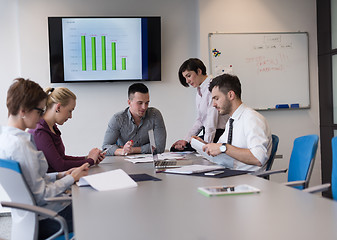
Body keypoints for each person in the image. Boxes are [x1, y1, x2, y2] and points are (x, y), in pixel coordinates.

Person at [0, 78, 89, 239]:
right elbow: (43, 194)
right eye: (39, 111)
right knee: (97, 210)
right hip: (48, 218)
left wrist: (60, 175)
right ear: (23, 110)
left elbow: (29, 181)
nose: (41, 116)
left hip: (31, 218)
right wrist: (71, 178)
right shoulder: (22, 146)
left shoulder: (5, 140)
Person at [201, 73, 272, 171]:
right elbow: (220, 147)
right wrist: (205, 146)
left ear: (230, 95)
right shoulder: (232, 120)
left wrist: (224, 148)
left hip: (248, 180)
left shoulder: (252, 118)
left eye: (216, 98)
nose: (213, 104)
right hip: (231, 175)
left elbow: (258, 158)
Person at [29, 87, 105, 172]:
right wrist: (90, 161)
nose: (70, 116)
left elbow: (61, 158)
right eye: (70, 111)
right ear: (58, 107)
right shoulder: (40, 132)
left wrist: (87, 157)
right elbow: (60, 166)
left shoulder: (52, 127)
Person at [171, 58, 228, 151]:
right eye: (185, 78)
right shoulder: (199, 91)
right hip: (209, 133)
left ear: (199, 71)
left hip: (218, 134)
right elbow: (200, 121)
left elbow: (211, 123)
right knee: (176, 148)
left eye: (188, 76)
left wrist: (206, 145)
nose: (187, 81)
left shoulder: (212, 87)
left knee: (179, 149)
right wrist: (186, 140)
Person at [102, 83, 166, 156]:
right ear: (129, 102)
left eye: (147, 103)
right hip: (123, 162)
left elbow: (160, 147)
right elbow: (105, 147)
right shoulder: (118, 119)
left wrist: (133, 150)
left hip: (148, 162)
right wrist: (122, 151)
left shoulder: (155, 115)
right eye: (140, 103)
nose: (144, 107)